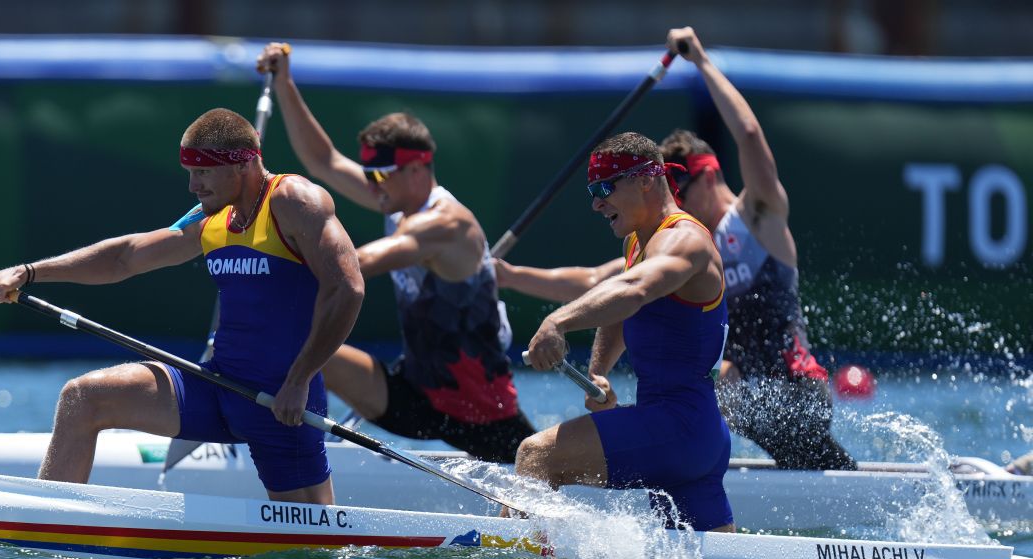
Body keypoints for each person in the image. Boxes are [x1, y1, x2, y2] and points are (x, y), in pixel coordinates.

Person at [497, 26, 856, 472]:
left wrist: (702, 63)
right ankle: (692, 468)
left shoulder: (757, 217)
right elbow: (599, 282)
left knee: (723, 381)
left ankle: (685, 462)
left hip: (797, 391)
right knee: (720, 380)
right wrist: (509, 277)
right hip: (744, 394)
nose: (673, 198)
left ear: (707, 175)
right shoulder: (676, 244)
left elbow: (746, 132)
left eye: (679, 185)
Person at [0, 108, 365, 504]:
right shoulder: (213, 218)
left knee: (308, 551)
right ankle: (49, 522)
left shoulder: (295, 201)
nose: (192, 185)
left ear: (244, 164)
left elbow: (347, 289)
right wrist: (27, 272)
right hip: (217, 386)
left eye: (203, 172)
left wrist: (299, 380)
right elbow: (124, 258)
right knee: (84, 398)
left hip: (281, 402)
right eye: (189, 171)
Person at [255, 43, 534, 464]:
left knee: (535, 472)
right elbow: (323, 159)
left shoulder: (447, 223)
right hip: (415, 394)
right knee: (297, 348)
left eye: (382, 175)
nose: (373, 186)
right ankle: (297, 460)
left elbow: (362, 263)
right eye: (369, 174)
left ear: (419, 167)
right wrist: (285, 82)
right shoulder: (395, 199)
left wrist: (278, 267)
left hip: (482, 413)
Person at [518, 131, 734, 532]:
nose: (597, 204)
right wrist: (599, 371)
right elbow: (621, 308)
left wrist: (556, 321)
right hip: (690, 434)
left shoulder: (685, 241)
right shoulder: (637, 242)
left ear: (646, 179)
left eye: (604, 188)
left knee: (536, 456)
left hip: (677, 428)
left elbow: (634, 291)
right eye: (591, 191)